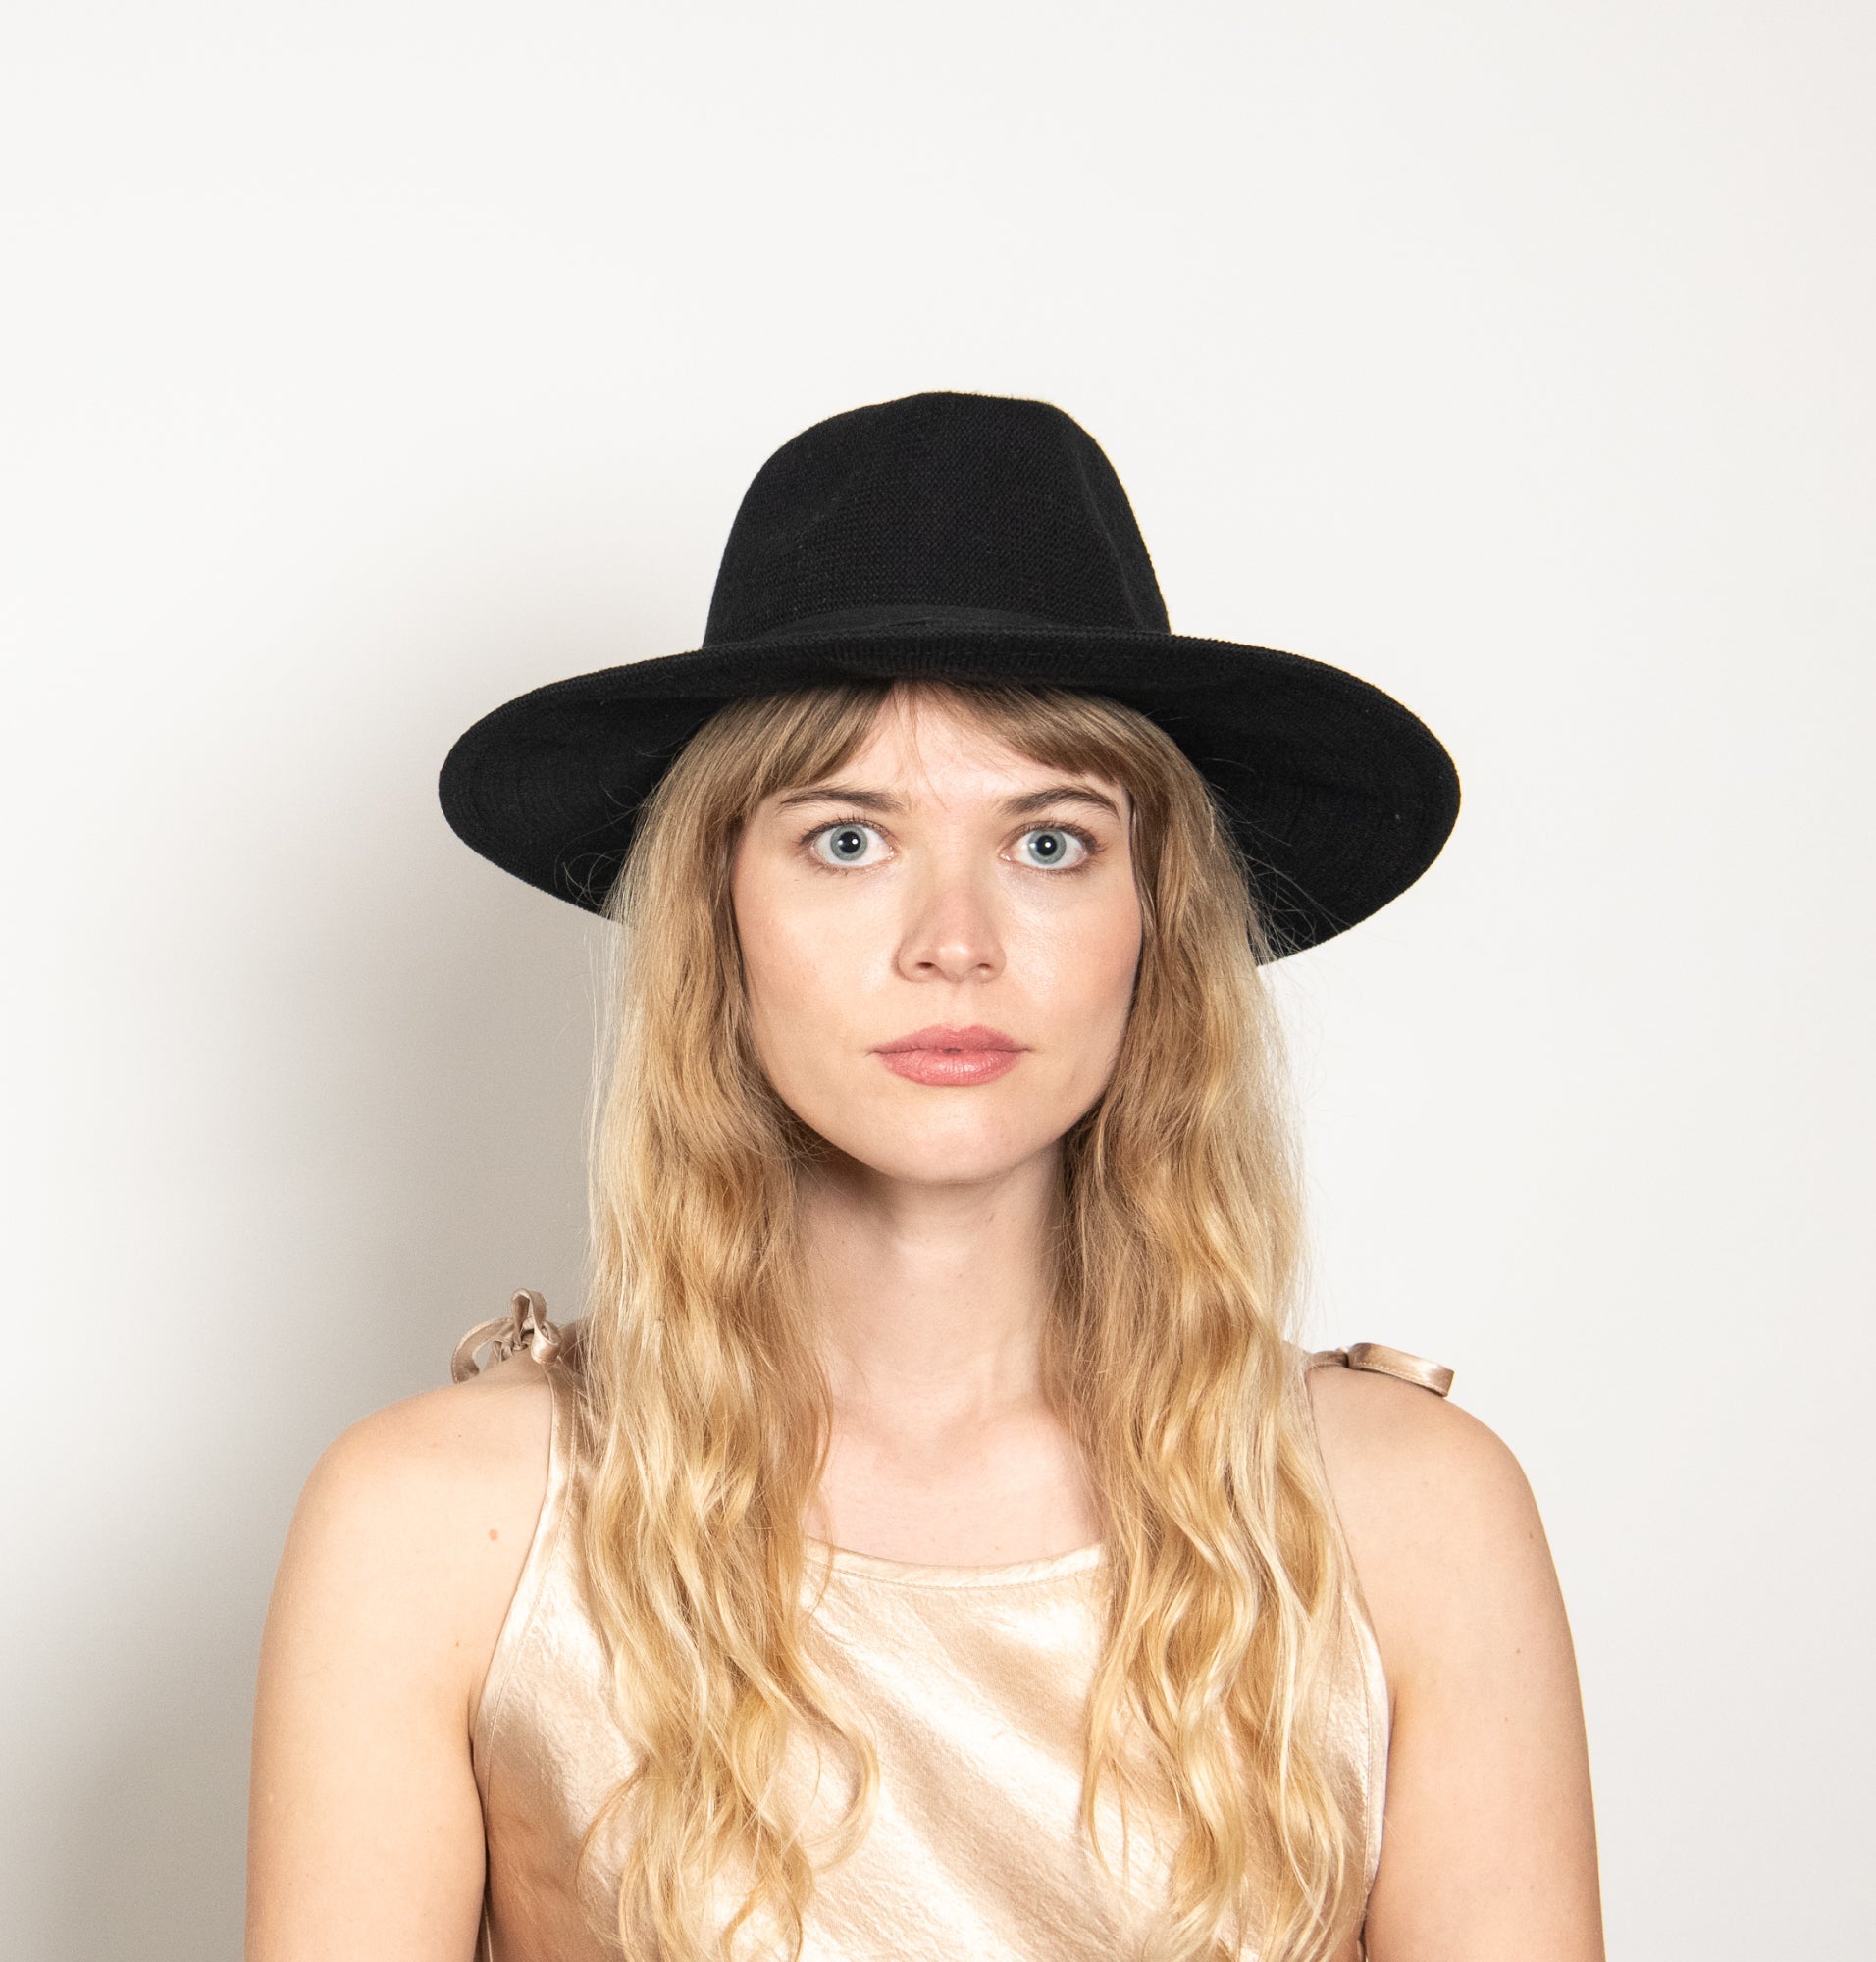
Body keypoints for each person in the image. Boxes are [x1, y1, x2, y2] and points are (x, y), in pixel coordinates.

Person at [245, 392, 1605, 1962]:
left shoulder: (1404, 1515)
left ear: (1157, 922)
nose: (953, 942)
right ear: (716, 917)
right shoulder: (439, 1526)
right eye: (847, 840)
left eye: (1050, 843)